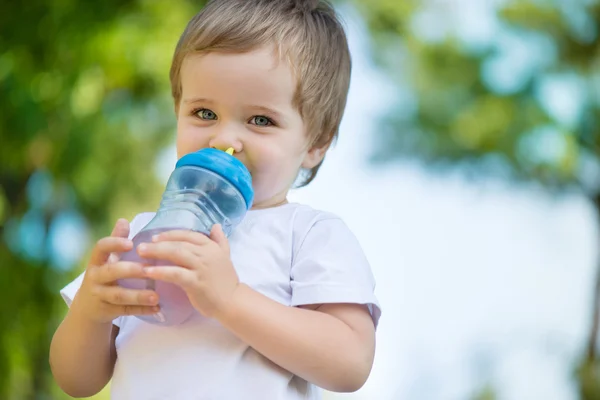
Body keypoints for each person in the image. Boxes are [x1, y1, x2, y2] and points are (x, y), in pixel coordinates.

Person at [49, 0, 381, 398]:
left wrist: (230, 300)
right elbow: (76, 381)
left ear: (315, 144)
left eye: (261, 120)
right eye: (204, 113)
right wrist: (91, 312)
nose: (224, 140)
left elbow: (350, 363)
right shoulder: (146, 233)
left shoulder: (308, 234)